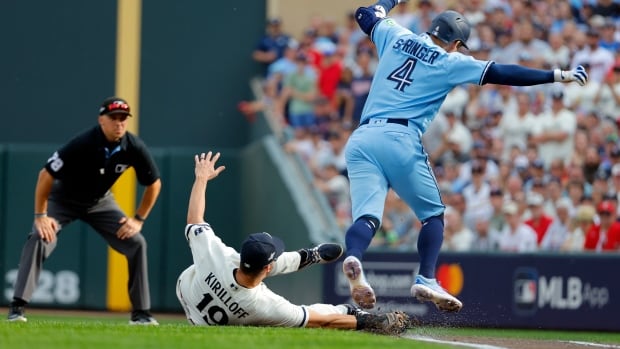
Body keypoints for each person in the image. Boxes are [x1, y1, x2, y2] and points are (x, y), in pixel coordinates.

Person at [342, 0, 588, 312]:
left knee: (367, 217)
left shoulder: (396, 35)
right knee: (433, 215)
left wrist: (392, 1)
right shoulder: (449, 61)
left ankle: (354, 255)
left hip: (362, 138)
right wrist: (556, 74)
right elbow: (503, 72)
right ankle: (427, 278)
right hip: (399, 138)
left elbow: (365, 14)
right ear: (456, 42)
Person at [175, 151, 410, 335]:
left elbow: (194, 219)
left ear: (241, 255)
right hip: (234, 307)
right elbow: (323, 321)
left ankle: (311, 256)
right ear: (267, 268)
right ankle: (313, 262)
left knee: (255, 268)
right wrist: (370, 320)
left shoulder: (218, 258)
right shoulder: (263, 305)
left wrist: (201, 178)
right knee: (306, 315)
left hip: (189, 291)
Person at [7, 97, 162, 324]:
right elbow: (46, 175)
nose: (119, 123)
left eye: (123, 118)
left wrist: (138, 218)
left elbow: (154, 183)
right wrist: (41, 216)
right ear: (101, 120)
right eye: (113, 118)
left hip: (100, 202)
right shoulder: (84, 143)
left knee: (137, 242)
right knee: (40, 236)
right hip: (63, 200)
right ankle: (17, 307)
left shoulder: (133, 147)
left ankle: (141, 314)